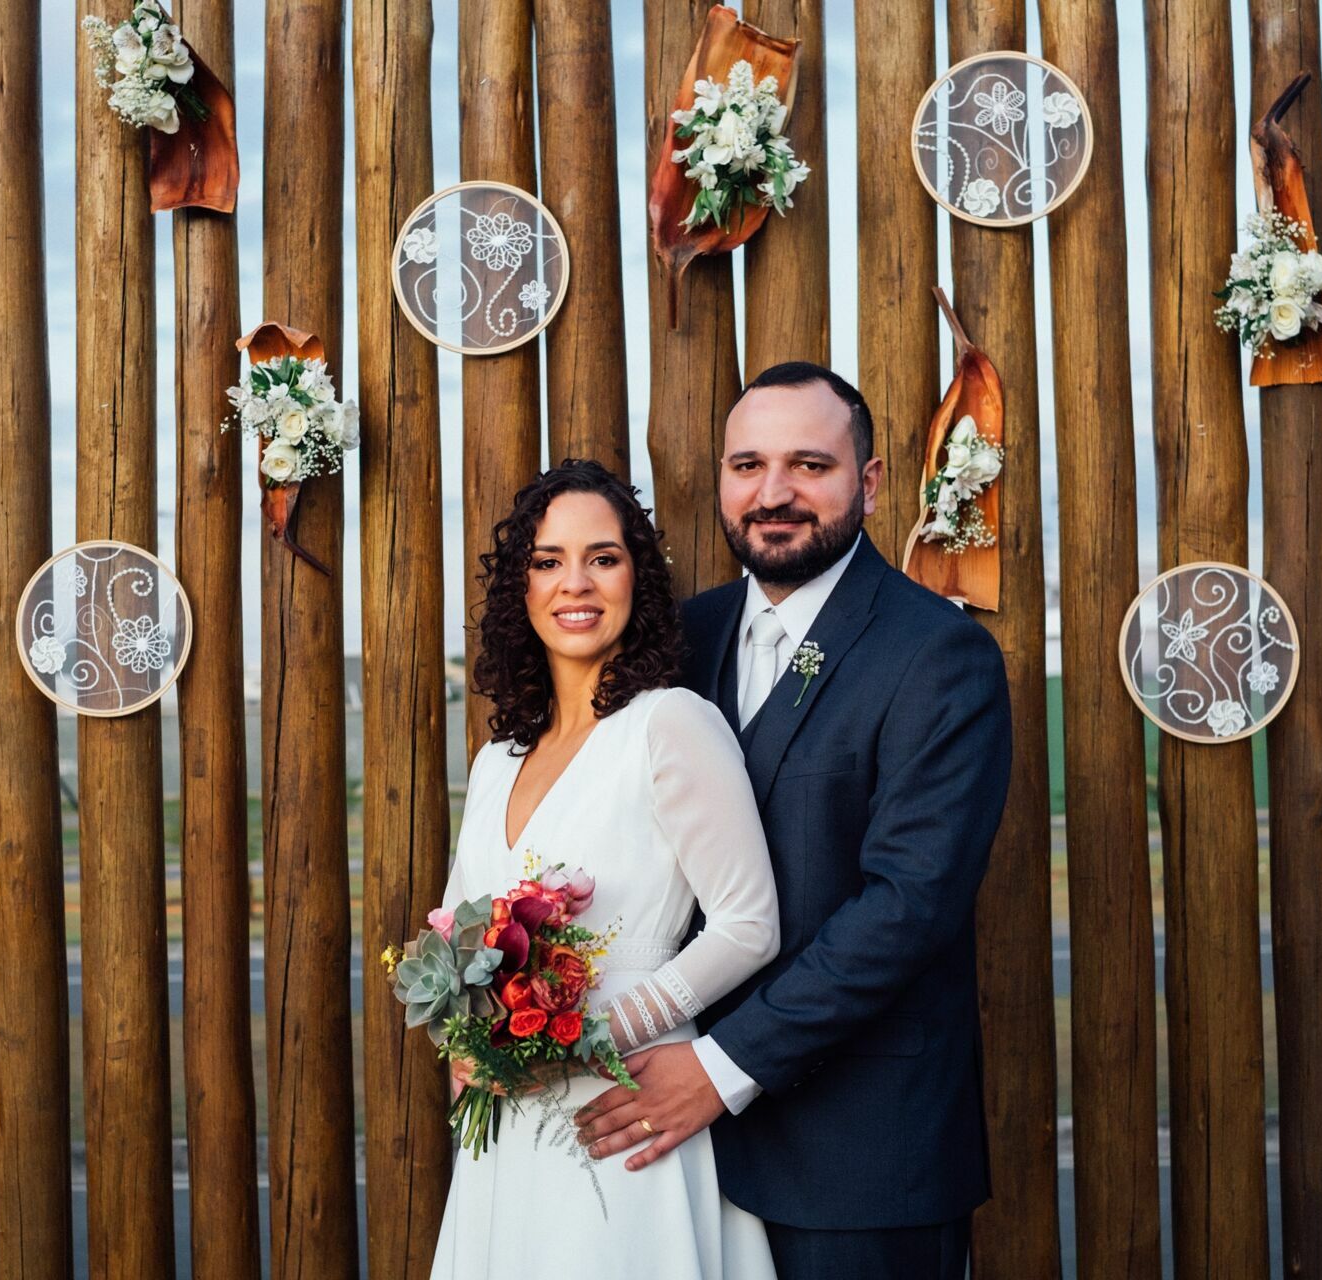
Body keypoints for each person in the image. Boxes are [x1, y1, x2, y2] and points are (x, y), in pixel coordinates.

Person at [572, 362, 1013, 1280]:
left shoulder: (941, 656)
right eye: (747, 465)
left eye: (809, 465)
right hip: (669, 1150)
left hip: (856, 1156)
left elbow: (907, 909)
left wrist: (721, 1069)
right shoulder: (676, 642)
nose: (773, 494)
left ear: (872, 480)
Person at [428, 460, 782, 1279]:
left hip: (631, 1104)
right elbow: (455, 937)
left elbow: (749, 924)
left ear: (638, 579)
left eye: (604, 557)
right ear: (520, 587)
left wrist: (592, 1041)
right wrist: (465, 1042)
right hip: (509, 1117)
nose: (574, 583)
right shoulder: (495, 760)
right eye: (548, 561)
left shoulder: (671, 725)